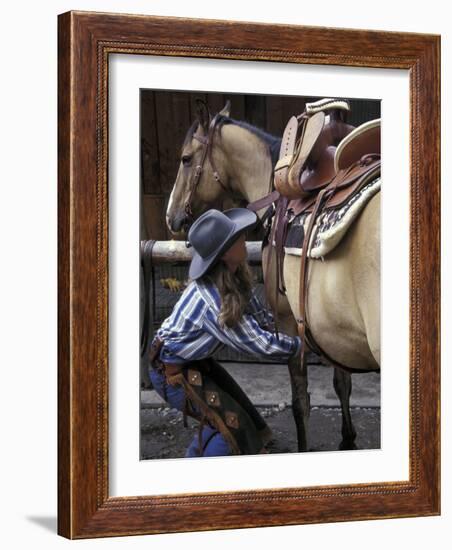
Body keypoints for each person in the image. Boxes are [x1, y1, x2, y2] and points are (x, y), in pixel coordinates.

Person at [148, 208, 301, 457]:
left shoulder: (234, 276)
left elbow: (259, 317)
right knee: (232, 427)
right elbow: (258, 344)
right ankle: (203, 488)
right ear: (225, 253)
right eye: (238, 237)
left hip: (192, 362)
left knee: (236, 409)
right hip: (169, 372)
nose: (244, 239)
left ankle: (192, 462)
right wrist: (301, 345)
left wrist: (282, 325)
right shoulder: (213, 301)